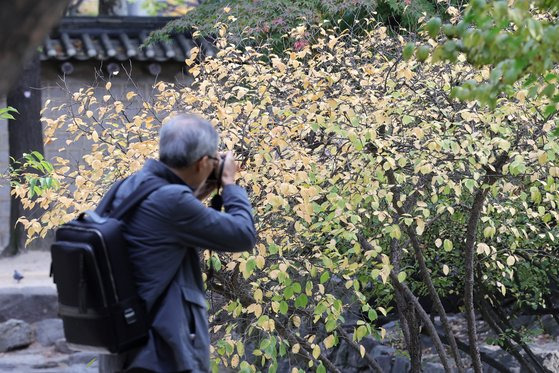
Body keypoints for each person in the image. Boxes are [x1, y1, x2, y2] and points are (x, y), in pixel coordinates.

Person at [98, 113, 257, 373]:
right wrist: (229, 184)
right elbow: (243, 235)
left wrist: (202, 189)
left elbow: (164, 228)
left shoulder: (126, 187)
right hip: (159, 353)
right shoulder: (171, 202)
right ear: (202, 163)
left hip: (125, 345)